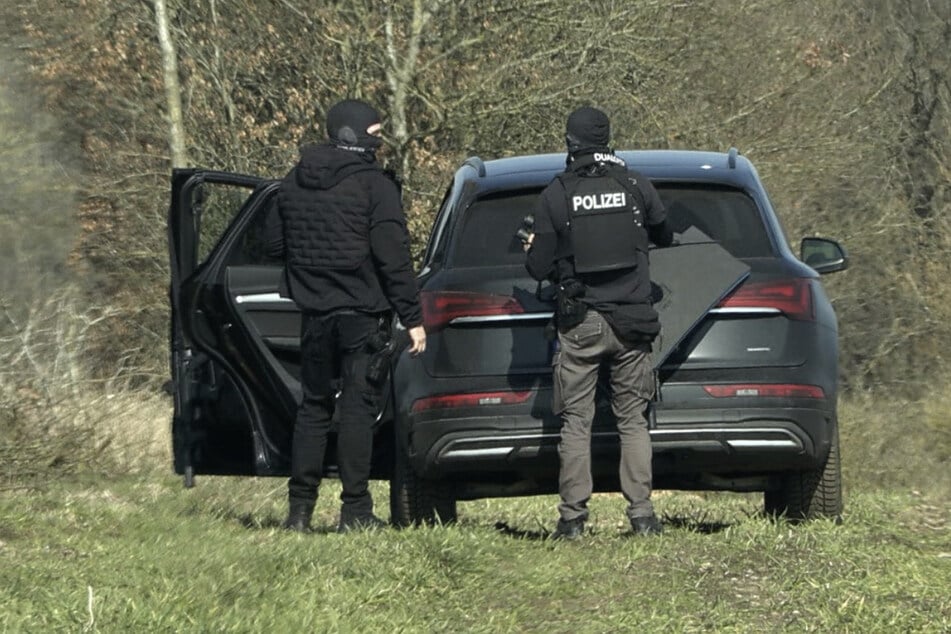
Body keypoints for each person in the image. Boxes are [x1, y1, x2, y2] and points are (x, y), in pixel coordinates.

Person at [266, 98, 426, 533]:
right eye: (376, 133)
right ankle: (354, 511)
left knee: (313, 409)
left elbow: (275, 246)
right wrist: (412, 317)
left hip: (313, 313)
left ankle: (299, 512)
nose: (381, 140)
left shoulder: (293, 181)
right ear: (354, 135)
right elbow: (394, 260)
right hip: (362, 314)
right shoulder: (376, 188)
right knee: (357, 411)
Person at [524, 106, 674, 539]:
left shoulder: (557, 193)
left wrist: (535, 245)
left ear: (570, 143)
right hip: (632, 322)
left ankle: (572, 520)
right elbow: (665, 233)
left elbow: (537, 268)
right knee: (632, 420)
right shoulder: (635, 184)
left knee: (576, 422)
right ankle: (642, 516)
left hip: (582, 323)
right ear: (608, 140)